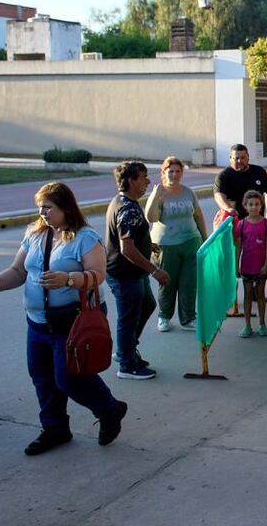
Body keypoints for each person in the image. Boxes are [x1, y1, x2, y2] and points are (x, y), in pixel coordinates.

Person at [0, 182, 128, 455]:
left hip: (72, 322)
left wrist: (68, 279)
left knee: (69, 379)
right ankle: (54, 428)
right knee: (42, 377)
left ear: (66, 207)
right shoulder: (35, 234)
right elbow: (18, 271)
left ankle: (109, 409)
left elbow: (98, 275)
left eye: (48, 207)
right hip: (38, 322)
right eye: (40, 207)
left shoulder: (85, 237)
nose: (43, 212)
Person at [105, 162, 170, 380]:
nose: (148, 181)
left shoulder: (124, 202)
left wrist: (148, 243)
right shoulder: (128, 208)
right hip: (125, 274)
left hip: (133, 273)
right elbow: (127, 248)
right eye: (143, 177)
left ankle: (127, 349)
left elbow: (130, 237)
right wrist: (155, 271)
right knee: (128, 317)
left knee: (147, 305)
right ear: (131, 180)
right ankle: (127, 365)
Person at [145, 156, 207, 333]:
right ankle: (164, 317)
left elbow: (198, 216)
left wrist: (204, 239)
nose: (174, 174)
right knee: (167, 282)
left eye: (178, 171)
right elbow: (151, 218)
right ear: (163, 172)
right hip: (166, 245)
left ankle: (188, 318)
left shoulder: (188, 192)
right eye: (170, 171)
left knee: (189, 283)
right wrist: (156, 196)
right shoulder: (159, 192)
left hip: (190, 241)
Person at [234, 191, 267, 338]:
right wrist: (236, 265)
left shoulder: (266, 224)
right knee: (248, 295)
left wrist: (266, 264)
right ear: (245, 206)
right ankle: (247, 325)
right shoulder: (242, 224)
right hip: (246, 266)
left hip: (260, 267)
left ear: (261, 205)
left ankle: (262, 324)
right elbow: (238, 247)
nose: (254, 207)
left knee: (261, 295)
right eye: (250, 204)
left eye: (257, 204)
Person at [213, 143, 267, 225]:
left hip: (258, 223)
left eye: (243, 158)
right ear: (230, 158)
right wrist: (228, 208)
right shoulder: (223, 176)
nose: (240, 161)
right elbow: (218, 195)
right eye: (236, 158)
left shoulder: (259, 171)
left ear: (248, 157)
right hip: (235, 224)